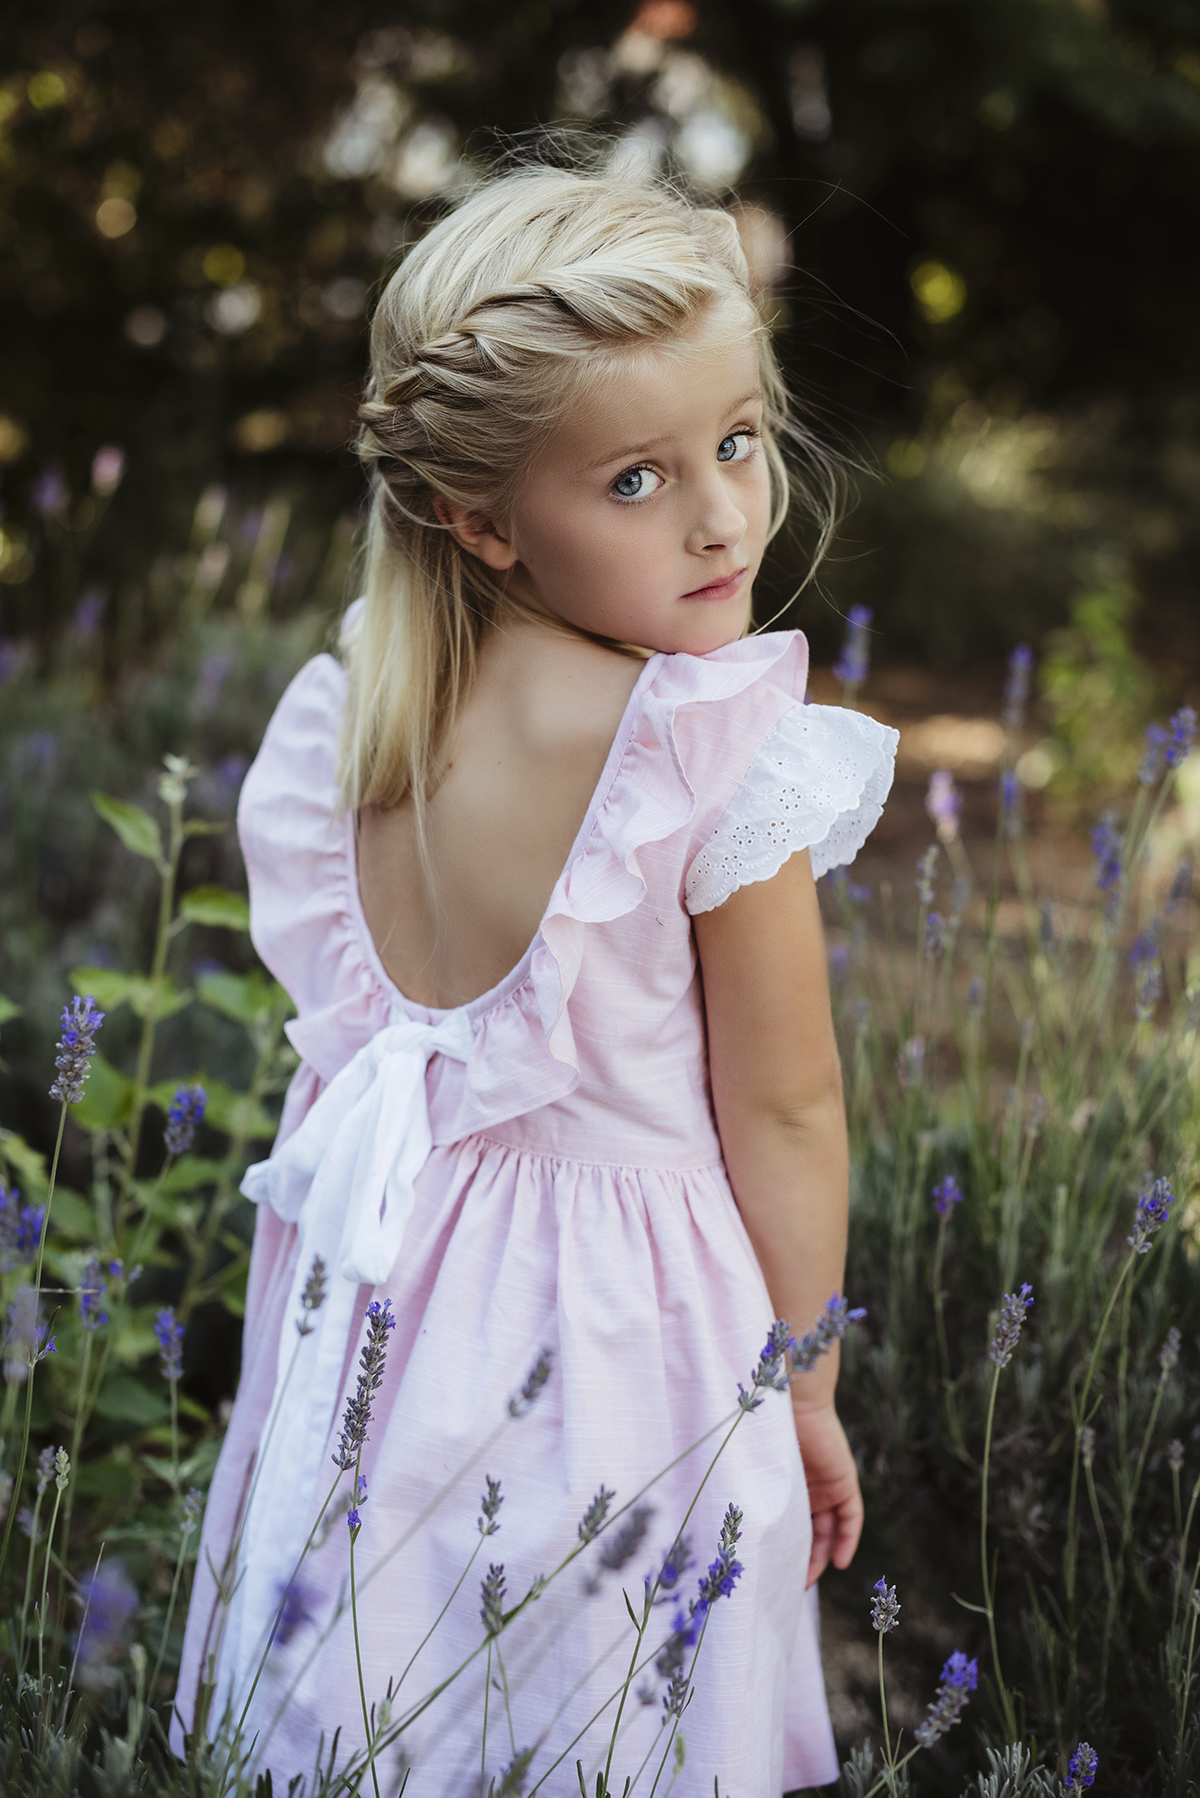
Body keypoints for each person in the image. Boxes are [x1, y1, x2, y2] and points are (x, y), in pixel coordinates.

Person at [171, 159, 897, 1796]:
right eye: (637, 478)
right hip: (623, 1354)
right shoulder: (707, 751)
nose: (722, 513)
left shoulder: (366, 708)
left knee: (384, 1698)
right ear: (480, 515)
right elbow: (787, 1108)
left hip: (387, 1313)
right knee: (596, 1717)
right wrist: (806, 1386)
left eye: (739, 440)